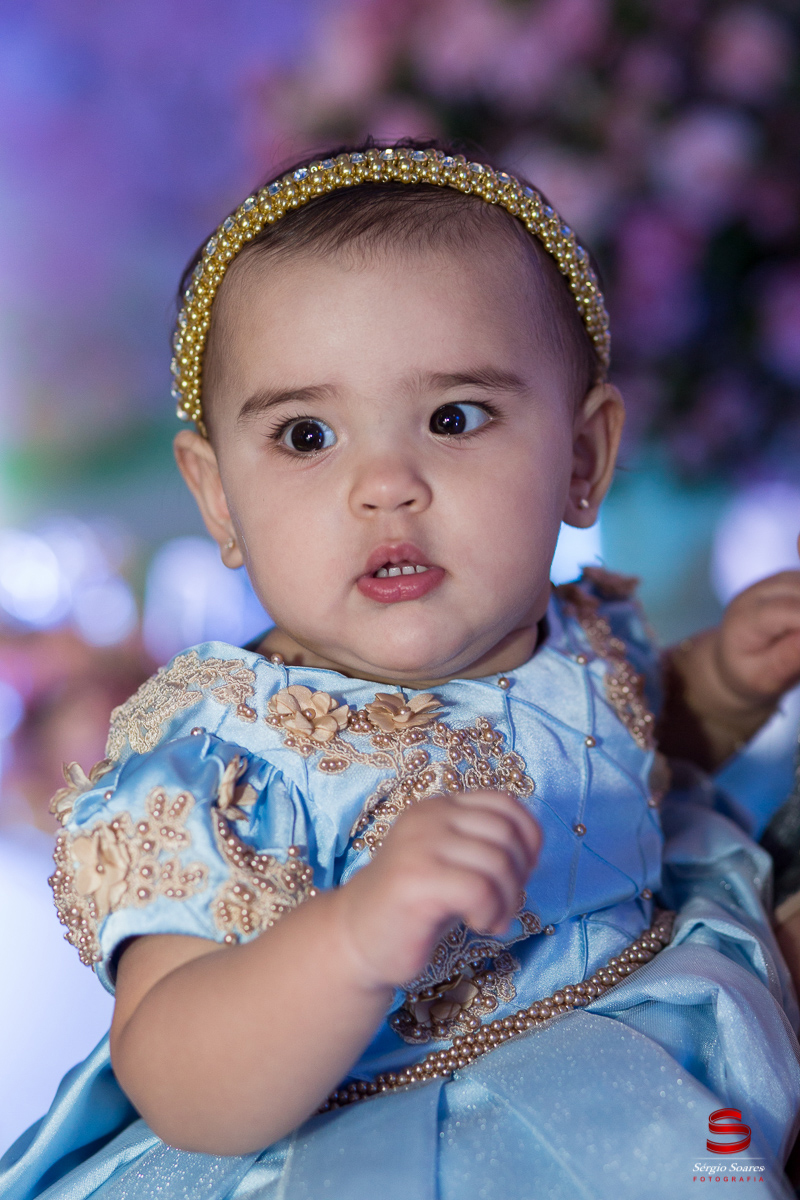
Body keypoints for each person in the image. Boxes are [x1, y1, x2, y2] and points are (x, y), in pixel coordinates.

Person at [3, 140, 800, 1200]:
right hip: (403, 1145)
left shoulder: (571, 630)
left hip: (650, 1008)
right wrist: (349, 940)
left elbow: (633, 761)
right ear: (217, 497)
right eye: (306, 435)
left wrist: (729, 682)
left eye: (453, 418)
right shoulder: (226, 767)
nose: (385, 485)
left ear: (581, 458)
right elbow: (179, 1077)